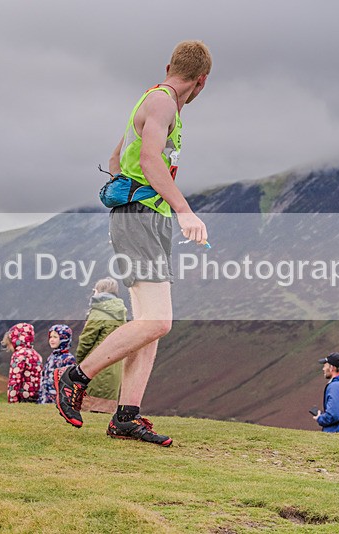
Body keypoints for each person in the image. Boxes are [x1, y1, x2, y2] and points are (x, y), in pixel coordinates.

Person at [54, 40, 212, 447]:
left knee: (150, 324)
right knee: (159, 321)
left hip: (144, 219)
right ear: (201, 81)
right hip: (142, 219)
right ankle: (75, 377)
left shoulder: (150, 100)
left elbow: (115, 160)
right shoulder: (164, 104)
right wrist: (184, 210)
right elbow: (149, 161)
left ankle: (126, 416)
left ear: (168, 66)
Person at [74, 278, 127, 413]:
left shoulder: (98, 312)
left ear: (99, 291)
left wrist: (80, 361)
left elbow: (87, 339)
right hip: (114, 365)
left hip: (96, 364)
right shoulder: (120, 314)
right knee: (105, 409)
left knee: (90, 408)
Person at [2, 323, 42, 404]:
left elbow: (14, 379)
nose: (9, 348)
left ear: (15, 340)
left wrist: (12, 401)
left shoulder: (18, 355)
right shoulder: (36, 355)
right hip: (36, 397)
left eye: (9, 344)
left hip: (23, 397)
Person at [38, 325, 77, 404]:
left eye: (55, 337)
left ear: (64, 338)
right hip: (45, 398)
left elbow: (68, 383)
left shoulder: (68, 359)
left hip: (58, 400)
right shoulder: (51, 357)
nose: (51, 340)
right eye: (50, 337)